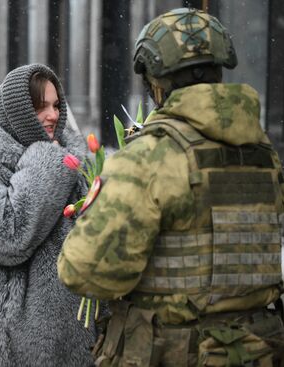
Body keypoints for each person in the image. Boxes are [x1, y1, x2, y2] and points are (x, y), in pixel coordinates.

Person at [58, 8, 284, 366]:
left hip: (172, 352)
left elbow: (83, 271)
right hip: (258, 351)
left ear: (156, 82)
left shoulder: (150, 157)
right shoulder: (264, 156)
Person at [0, 63, 97, 366]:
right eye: (40, 106)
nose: (53, 115)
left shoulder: (78, 164)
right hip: (9, 347)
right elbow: (9, 237)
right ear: (18, 112)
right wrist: (48, 161)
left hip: (77, 342)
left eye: (56, 105)